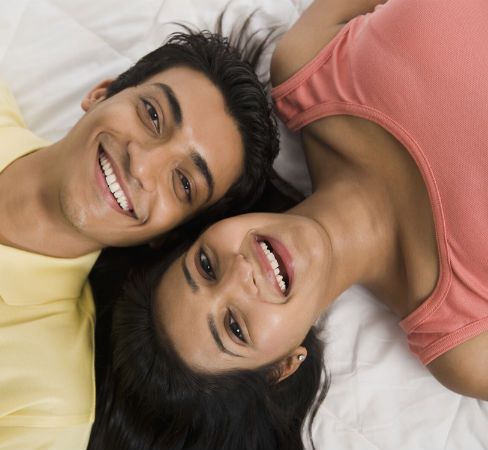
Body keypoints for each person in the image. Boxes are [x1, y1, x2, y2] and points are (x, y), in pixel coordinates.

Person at [88, 0, 488, 448]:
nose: (241, 274)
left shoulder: (306, 66)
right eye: (235, 327)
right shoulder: (465, 346)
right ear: (283, 368)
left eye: (206, 266)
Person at [0, 19, 279, 449]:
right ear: (100, 93)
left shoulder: (46, 408)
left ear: (166, 236)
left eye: (183, 183)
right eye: (152, 116)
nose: (142, 165)